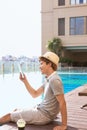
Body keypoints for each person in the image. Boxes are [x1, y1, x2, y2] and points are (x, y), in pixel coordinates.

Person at [0, 51, 67, 130]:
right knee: (16, 110)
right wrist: (25, 81)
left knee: (8, 115)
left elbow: (62, 103)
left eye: (42, 63)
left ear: (49, 64)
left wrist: (63, 125)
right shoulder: (49, 79)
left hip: (43, 116)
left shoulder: (55, 80)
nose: (39, 66)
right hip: (41, 110)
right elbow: (34, 94)